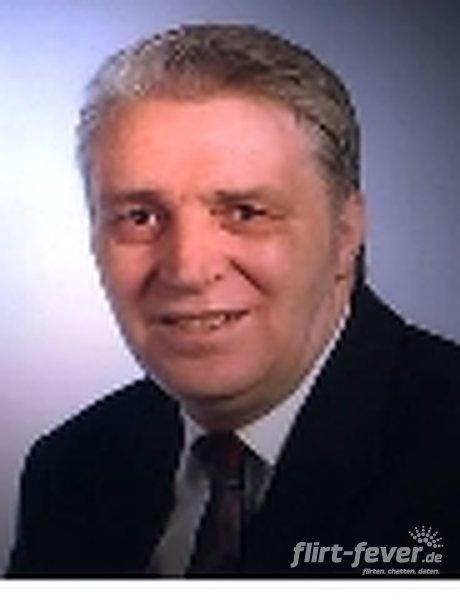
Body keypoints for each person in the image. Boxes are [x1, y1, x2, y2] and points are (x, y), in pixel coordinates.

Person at [7, 23, 460, 578]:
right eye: (140, 217)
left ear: (346, 233)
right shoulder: (70, 468)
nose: (188, 270)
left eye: (245, 212)